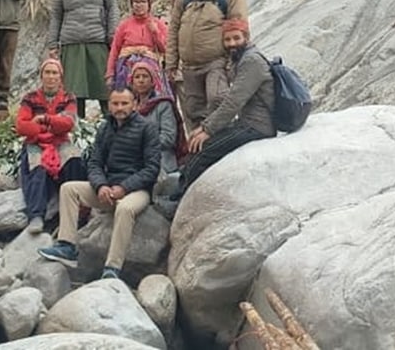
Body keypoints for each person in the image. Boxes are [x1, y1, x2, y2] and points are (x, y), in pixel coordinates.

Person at [37, 87, 161, 282]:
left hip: (137, 191)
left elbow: (152, 169)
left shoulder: (148, 128)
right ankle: (67, 245)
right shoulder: (105, 128)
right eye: (115, 103)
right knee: (69, 189)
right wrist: (100, 185)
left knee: (125, 209)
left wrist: (124, 188)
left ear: (135, 105)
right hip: (108, 188)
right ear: (109, 105)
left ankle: (112, 267)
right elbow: (94, 162)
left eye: (124, 103)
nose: (120, 108)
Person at [166, 18, 273, 206]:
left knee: (204, 149)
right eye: (227, 39)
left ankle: (179, 201)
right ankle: (181, 187)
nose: (232, 44)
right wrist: (204, 128)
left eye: (236, 38)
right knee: (199, 142)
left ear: (246, 38)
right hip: (247, 122)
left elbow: (233, 102)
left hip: (258, 125)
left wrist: (207, 129)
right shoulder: (239, 59)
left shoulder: (252, 61)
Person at [168, 0, 249, 123]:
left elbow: (240, 30)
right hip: (189, 66)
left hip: (217, 63)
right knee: (193, 110)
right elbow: (173, 29)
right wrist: (171, 63)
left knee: (217, 99)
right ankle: (203, 148)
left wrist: (232, 63)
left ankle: (224, 142)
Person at [15, 58, 86, 235]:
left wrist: (43, 119)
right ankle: (36, 215)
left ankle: (75, 212)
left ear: (60, 77)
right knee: (37, 168)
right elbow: (22, 127)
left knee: (74, 161)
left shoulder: (68, 97)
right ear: (41, 75)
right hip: (36, 143)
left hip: (60, 142)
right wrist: (53, 124)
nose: (51, 77)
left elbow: (68, 123)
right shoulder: (30, 98)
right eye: (47, 72)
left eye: (55, 73)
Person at [47, 0, 118, 120]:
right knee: (74, 91)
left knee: (104, 88)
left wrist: (112, 34)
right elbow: (56, 16)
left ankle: (112, 125)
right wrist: (53, 43)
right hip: (72, 44)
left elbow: (112, 8)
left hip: (98, 41)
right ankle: (75, 128)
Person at [126, 57, 183, 192]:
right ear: (132, 82)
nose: (141, 80)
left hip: (160, 159)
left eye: (145, 76)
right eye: (137, 77)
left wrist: (142, 143)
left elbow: (169, 137)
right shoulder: (129, 107)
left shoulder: (163, 104)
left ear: (153, 81)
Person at [107, 0, 168, 89]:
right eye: (136, 2)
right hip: (126, 68)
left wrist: (155, 31)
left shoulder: (158, 24)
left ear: (149, 4)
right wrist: (110, 74)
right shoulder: (124, 25)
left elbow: (165, 49)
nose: (139, 5)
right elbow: (114, 50)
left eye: (142, 2)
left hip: (151, 68)